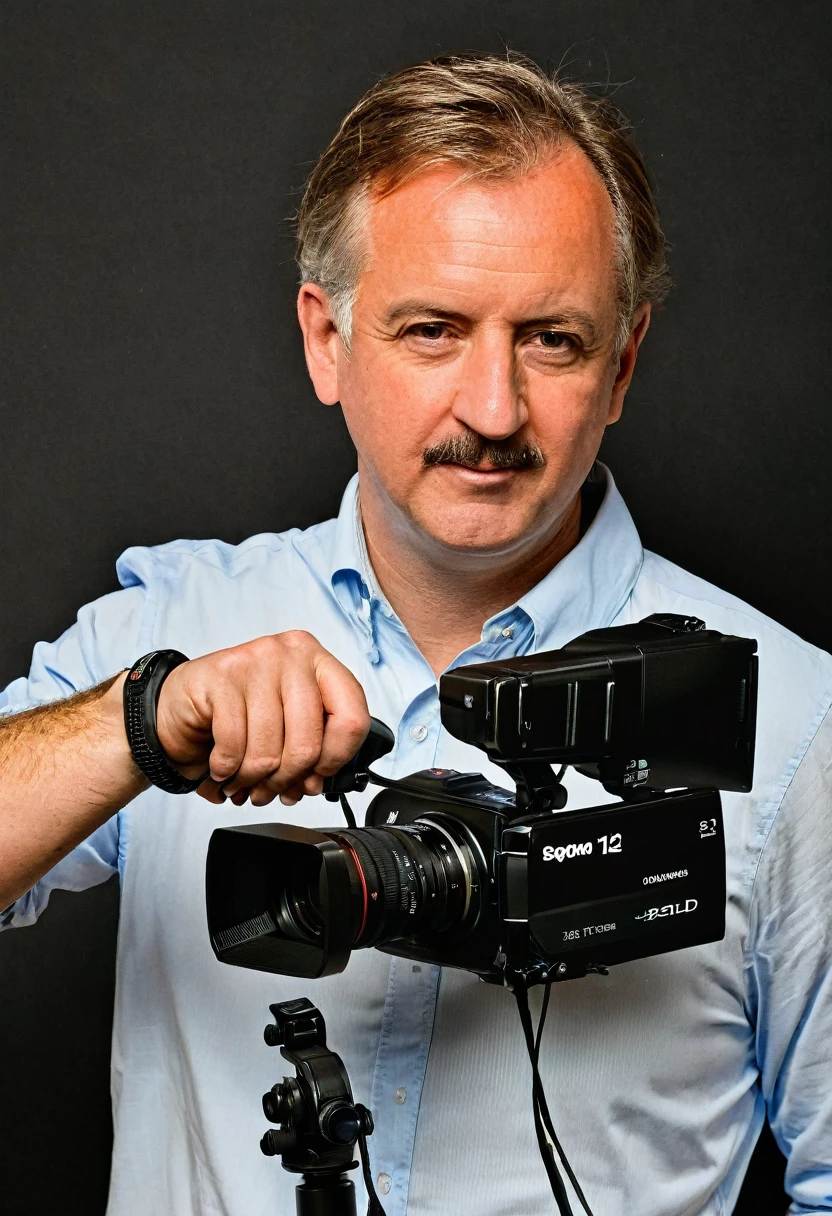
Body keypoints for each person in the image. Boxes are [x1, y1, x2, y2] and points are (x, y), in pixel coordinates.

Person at [1, 52, 829, 1216]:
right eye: (432, 329)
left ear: (625, 363)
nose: (493, 410)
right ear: (324, 341)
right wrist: (137, 721)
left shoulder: (791, 724)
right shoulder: (176, 629)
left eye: (552, 339)